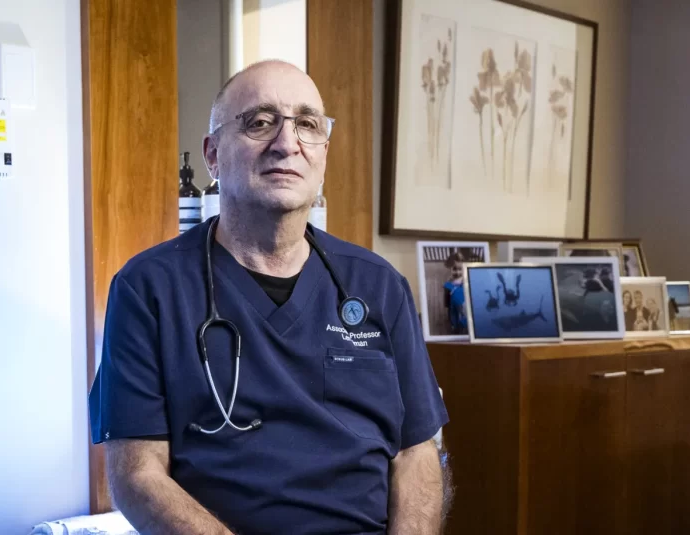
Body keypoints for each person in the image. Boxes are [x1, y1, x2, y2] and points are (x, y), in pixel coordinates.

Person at [88, 59, 451, 534]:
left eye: (307, 124)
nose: (287, 143)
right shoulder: (148, 288)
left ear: (323, 152)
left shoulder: (379, 286)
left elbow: (416, 453)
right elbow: (137, 473)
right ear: (213, 155)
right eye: (259, 123)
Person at [442, 251, 467, 334]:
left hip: (464, 308)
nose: (458, 272)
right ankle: (455, 327)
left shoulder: (467, 282)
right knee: (455, 322)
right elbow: (447, 303)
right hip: (453, 309)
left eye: (460, 269)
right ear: (450, 269)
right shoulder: (447, 285)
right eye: (454, 269)